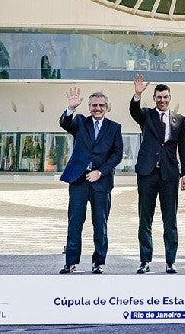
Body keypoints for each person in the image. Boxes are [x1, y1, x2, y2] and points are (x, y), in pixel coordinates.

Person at [130, 74, 185, 274]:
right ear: (154, 98)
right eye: (159, 97)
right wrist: (138, 94)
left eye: (165, 97)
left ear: (170, 98)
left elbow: (184, 148)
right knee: (145, 218)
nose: (162, 100)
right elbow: (134, 111)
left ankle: (170, 261)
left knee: (170, 219)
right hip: (147, 173)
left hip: (169, 175)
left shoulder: (179, 120)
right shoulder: (146, 115)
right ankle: (145, 260)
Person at [58, 88, 123, 274]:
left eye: (101, 105)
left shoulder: (114, 127)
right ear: (88, 107)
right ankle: (70, 262)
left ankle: (98, 262)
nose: (98, 108)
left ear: (106, 107)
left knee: (100, 223)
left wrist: (100, 172)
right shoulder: (79, 122)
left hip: (101, 182)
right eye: (94, 105)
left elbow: (117, 155)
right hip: (79, 180)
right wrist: (70, 108)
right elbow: (65, 123)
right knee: (75, 222)